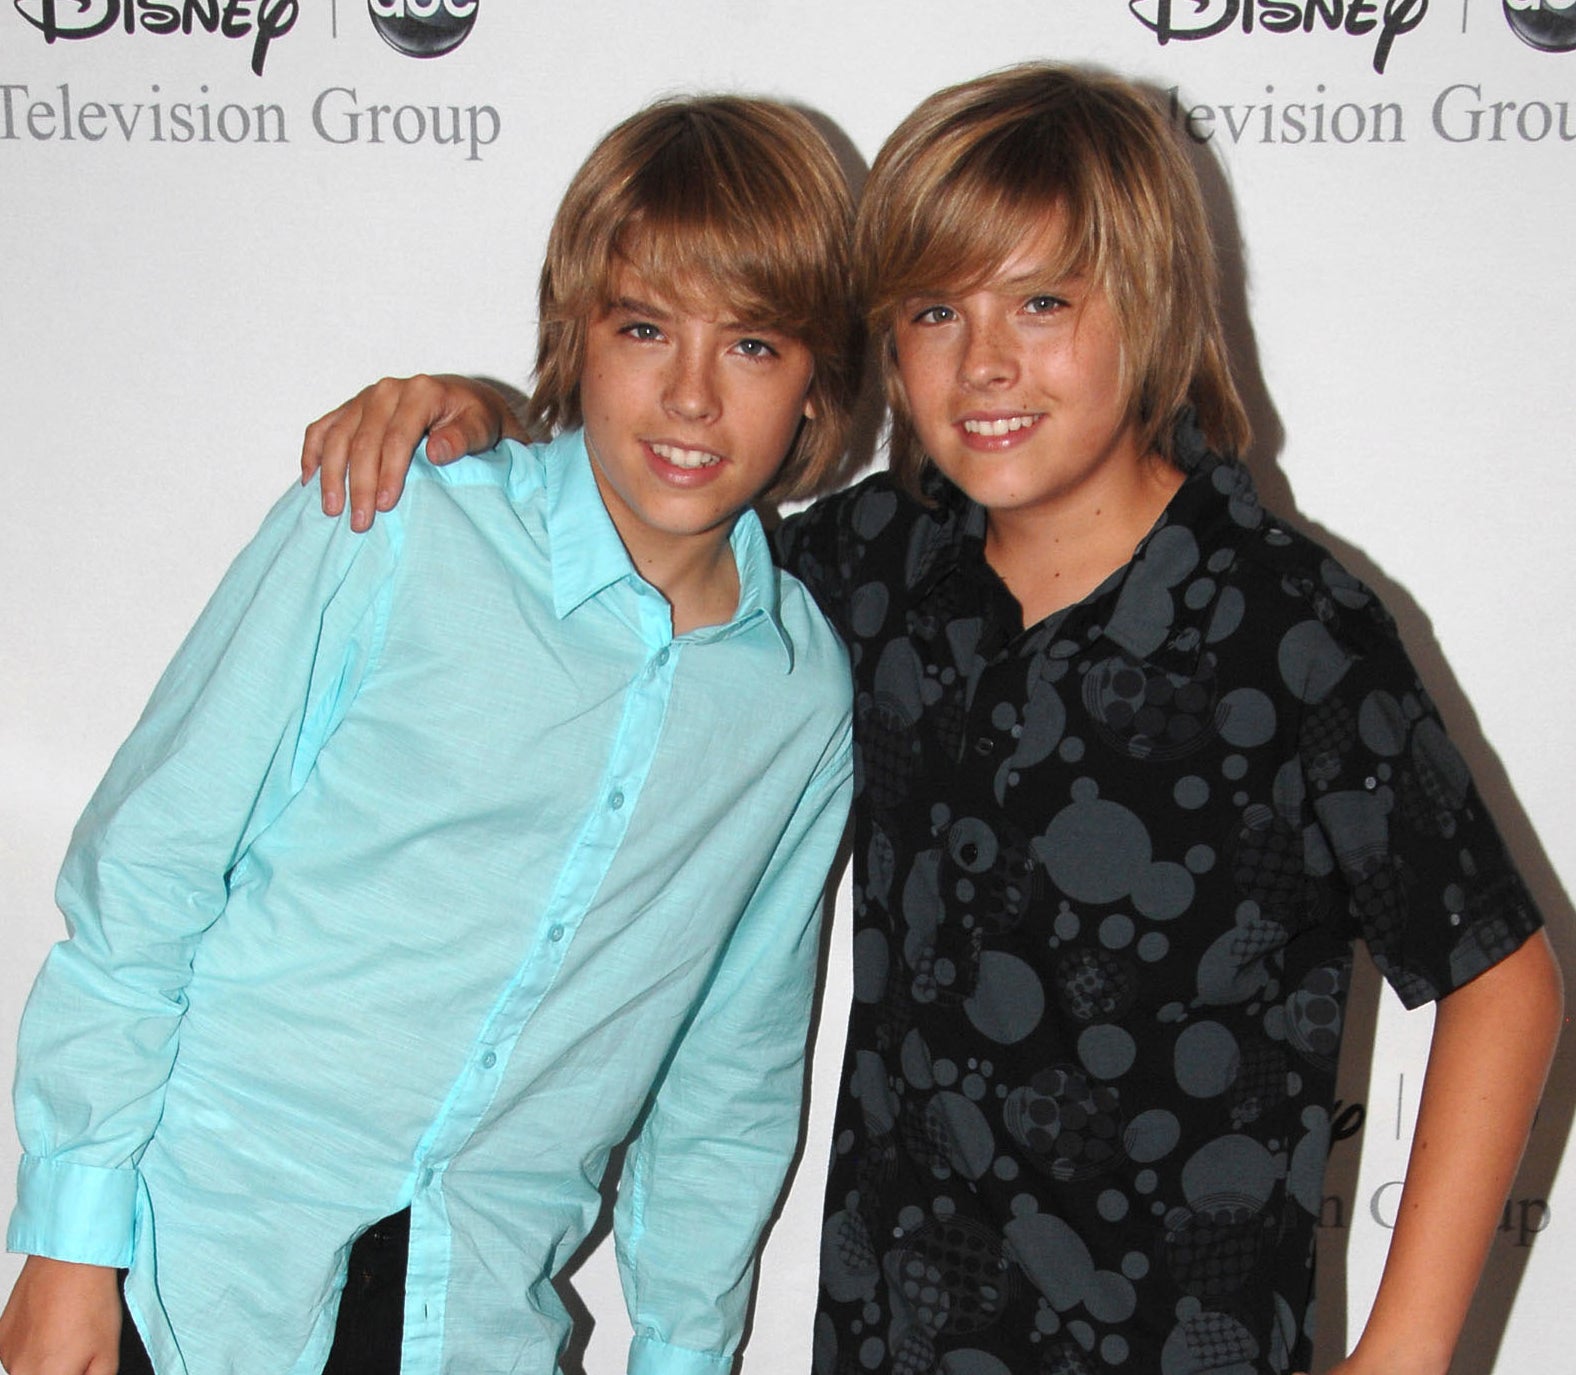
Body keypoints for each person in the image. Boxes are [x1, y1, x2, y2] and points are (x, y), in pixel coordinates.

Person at [292, 64, 1563, 1375]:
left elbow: (1502, 978)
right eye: (936, 309)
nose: (985, 361)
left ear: (1153, 300)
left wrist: (1406, 1348)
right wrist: (490, 423)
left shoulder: (1290, 626)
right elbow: (660, 542)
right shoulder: (877, 566)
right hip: (895, 1330)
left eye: (1044, 301)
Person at [1, 96, 864, 1375]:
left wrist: (681, 1353)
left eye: (750, 344)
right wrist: (70, 1244)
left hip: (469, 1322)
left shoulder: (795, 700)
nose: (688, 394)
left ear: (815, 384)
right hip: (192, 1261)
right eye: (643, 328)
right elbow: (149, 875)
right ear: (578, 332)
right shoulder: (396, 525)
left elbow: (726, 1074)